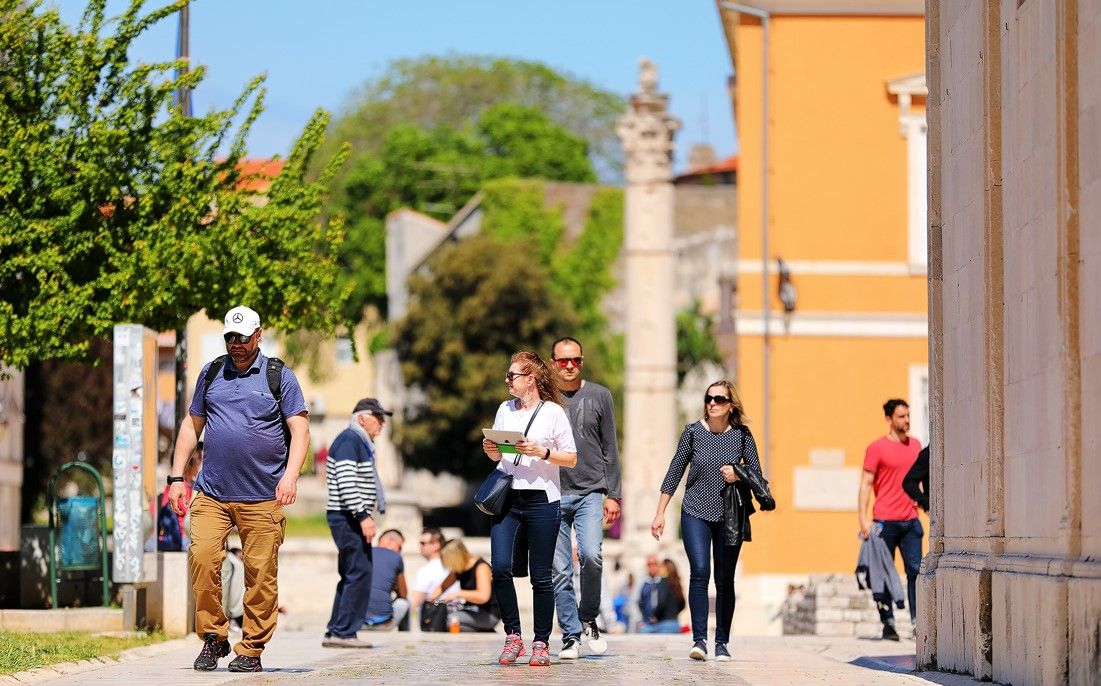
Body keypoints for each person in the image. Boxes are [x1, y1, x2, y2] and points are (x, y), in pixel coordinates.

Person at [167, 306, 310, 673]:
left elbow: (300, 431)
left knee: (260, 575)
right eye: (230, 338)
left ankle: (251, 647)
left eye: (243, 338)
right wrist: (176, 477)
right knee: (201, 559)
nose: (237, 345)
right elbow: (190, 425)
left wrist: (291, 475)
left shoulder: (280, 376)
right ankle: (214, 637)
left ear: (258, 335)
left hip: (264, 496)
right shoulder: (212, 372)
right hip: (212, 492)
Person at [650, 380, 765, 662]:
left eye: (720, 399)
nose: (712, 403)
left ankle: (722, 642)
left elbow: (758, 477)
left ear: (730, 405)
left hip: (730, 517)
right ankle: (699, 640)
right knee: (700, 572)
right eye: (709, 398)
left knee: (725, 579)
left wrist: (738, 474)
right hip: (695, 512)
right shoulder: (692, 433)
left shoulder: (742, 436)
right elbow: (674, 471)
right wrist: (660, 512)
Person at [481, 351, 577, 667]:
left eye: (513, 375)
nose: (507, 380)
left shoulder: (553, 413)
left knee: (541, 576)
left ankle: (540, 642)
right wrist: (490, 449)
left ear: (530, 379)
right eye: (508, 375)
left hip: (542, 500)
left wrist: (543, 451)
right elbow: (498, 457)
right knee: (500, 567)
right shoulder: (504, 410)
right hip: (508, 498)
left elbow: (572, 457)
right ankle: (513, 636)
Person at [549, 337, 622, 660]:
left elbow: (611, 448)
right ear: (553, 363)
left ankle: (589, 616)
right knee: (561, 570)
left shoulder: (600, 395)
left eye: (575, 360)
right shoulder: (543, 398)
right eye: (563, 361)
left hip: (591, 490)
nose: (569, 366)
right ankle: (570, 635)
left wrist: (614, 494)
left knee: (592, 555)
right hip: (551, 492)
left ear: (582, 361)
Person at [322, 397, 391, 648]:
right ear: (362, 418)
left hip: (348, 516)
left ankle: (336, 629)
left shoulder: (357, 442)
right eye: (378, 418)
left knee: (351, 572)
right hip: (348, 517)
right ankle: (344, 632)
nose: (382, 424)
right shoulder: (350, 440)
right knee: (359, 572)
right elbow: (346, 480)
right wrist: (363, 515)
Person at [859, 399, 923, 641]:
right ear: (889, 419)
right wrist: (862, 520)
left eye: (908, 416)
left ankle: (919, 623)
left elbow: (921, 478)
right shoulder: (876, 449)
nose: (906, 421)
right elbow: (865, 484)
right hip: (884, 520)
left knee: (916, 571)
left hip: (910, 520)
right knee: (884, 572)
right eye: (901, 416)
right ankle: (888, 623)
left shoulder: (916, 445)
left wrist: (922, 499)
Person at [426, 539, 500, 632]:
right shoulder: (459, 568)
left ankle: (483, 627)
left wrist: (458, 594)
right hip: (470, 610)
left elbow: (483, 596)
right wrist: (430, 602)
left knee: (450, 620)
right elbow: (443, 587)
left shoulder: (481, 567)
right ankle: (482, 630)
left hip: (488, 614)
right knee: (443, 617)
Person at [158, 441, 202, 551]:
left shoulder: (172, 487)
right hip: (183, 537)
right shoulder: (183, 489)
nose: (198, 468)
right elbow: (189, 513)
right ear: (187, 467)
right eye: (196, 464)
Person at [410, 527, 458, 626]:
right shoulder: (454, 566)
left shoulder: (426, 570)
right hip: (456, 617)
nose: (420, 547)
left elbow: (414, 603)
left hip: (437, 619)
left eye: (423, 543)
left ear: (436, 544)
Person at [364, 529, 409, 631]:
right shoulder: (396, 557)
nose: (400, 550)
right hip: (383, 624)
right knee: (404, 602)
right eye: (400, 546)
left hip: (357, 622)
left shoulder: (364, 553)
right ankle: (405, 634)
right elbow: (403, 593)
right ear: (390, 541)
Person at [637, 556, 685, 634]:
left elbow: (662, 601)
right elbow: (683, 603)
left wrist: (655, 615)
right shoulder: (676, 583)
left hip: (664, 623)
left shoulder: (663, 582)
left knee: (644, 631)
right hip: (675, 623)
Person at [903, 444, 930, 514]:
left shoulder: (915, 443)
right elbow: (909, 482)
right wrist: (926, 503)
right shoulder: (929, 453)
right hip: (887, 516)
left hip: (912, 515)